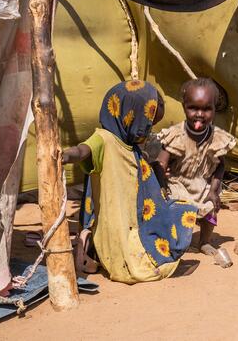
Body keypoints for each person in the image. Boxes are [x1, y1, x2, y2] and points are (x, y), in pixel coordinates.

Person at [62, 80, 198, 283]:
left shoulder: (131, 146)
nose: (149, 128)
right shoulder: (104, 140)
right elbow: (83, 150)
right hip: (117, 219)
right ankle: (90, 246)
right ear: (130, 115)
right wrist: (64, 155)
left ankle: (90, 248)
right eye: (147, 122)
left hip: (133, 217)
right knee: (140, 266)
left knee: (177, 213)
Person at [156, 78, 235, 258]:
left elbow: (220, 166)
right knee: (179, 207)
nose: (200, 114)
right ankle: (177, 241)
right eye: (193, 108)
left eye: (207, 109)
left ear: (215, 109)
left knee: (210, 207)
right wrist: (161, 183)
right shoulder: (176, 134)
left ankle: (204, 241)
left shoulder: (217, 137)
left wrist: (214, 190)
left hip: (204, 182)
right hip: (178, 182)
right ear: (184, 107)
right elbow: (161, 162)